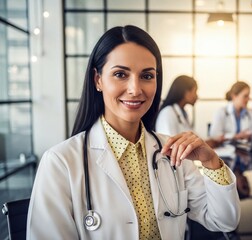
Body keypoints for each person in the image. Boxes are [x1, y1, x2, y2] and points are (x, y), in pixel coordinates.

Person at [26, 25, 240, 239]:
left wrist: (211, 160)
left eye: (147, 76)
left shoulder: (172, 152)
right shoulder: (60, 163)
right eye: (120, 74)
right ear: (97, 80)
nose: (135, 89)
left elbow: (223, 220)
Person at [155, 75, 225, 148]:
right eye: (195, 91)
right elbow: (170, 143)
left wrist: (211, 141)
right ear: (185, 92)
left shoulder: (183, 113)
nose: (197, 96)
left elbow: (193, 138)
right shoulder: (168, 113)